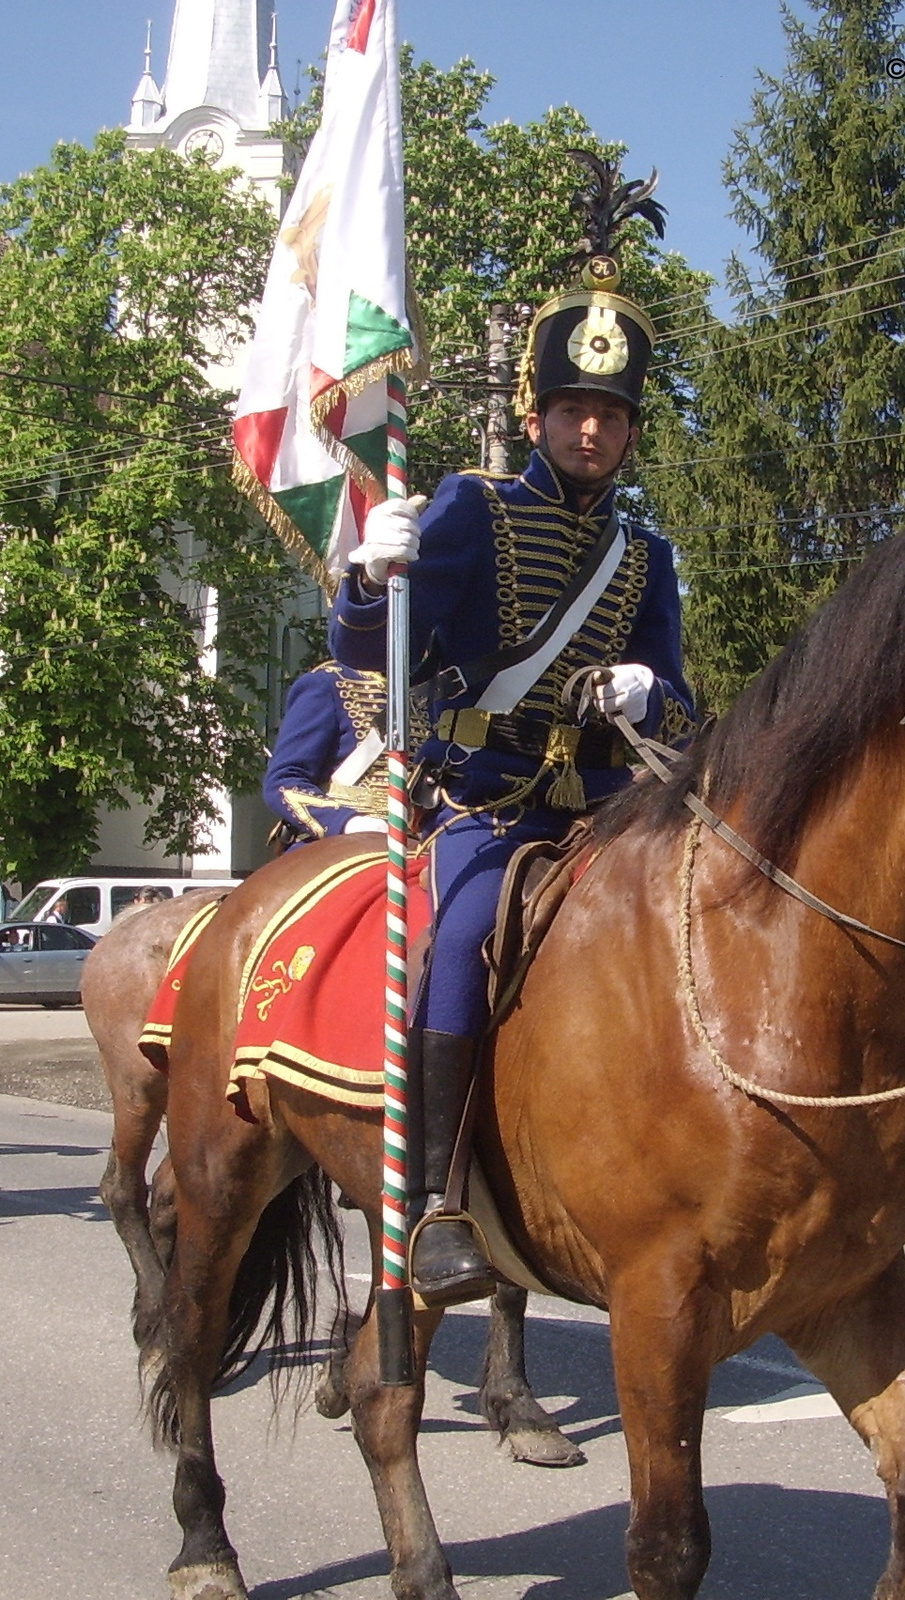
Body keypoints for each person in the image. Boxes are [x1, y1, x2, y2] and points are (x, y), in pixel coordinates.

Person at [328, 157, 695, 1306]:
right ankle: (434, 1198)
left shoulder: (647, 559)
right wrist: (363, 574)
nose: (593, 430)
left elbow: (685, 708)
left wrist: (647, 696)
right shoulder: (470, 509)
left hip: (606, 816)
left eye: (613, 414)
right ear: (535, 414)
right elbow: (361, 655)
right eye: (575, 410)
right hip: (484, 803)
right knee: (463, 937)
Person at [262, 660, 430, 846]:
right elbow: (283, 781)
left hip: (422, 837)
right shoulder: (328, 682)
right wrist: (347, 822)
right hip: (340, 838)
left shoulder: (434, 687)